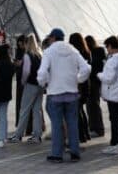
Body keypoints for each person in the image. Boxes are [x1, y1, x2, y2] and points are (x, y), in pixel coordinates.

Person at [37, 28, 91, 163]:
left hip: (55, 93)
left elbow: (42, 73)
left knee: (56, 125)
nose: (49, 39)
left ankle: (57, 154)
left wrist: (43, 83)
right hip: (72, 93)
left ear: (53, 38)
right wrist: (78, 79)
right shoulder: (73, 50)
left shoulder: (49, 52)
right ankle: (75, 153)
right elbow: (86, 68)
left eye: (50, 37)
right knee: (72, 123)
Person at [97, 35, 118, 155]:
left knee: (114, 119)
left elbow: (109, 78)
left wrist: (99, 75)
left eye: (107, 47)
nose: (107, 50)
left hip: (113, 93)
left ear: (110, 46)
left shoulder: (113, 60)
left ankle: (115, 144)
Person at [8, 33, 43, 144]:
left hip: (31, 85)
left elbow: (26, 71)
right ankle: (37, 136)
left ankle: (18, 135)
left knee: (24, 110)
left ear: (27, 43)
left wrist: (23, 82)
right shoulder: (40, 54)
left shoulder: (27, 55)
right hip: (40, 85)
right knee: (37, 111)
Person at [69, 33, 92, 144]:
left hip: (78, 86)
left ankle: (80, 136)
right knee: (80, 110)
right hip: (85, 85)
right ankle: (85, 134)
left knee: (76, 112)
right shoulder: (87, 52)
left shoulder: (75, 54)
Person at [85, 35, 106, 138]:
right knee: (94, 105)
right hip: (97, 81)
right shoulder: (100, 50)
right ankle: (96, 128)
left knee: (92, 105)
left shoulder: (92, 53)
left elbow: (91, 66)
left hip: (92, 81)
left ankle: (96, 128)